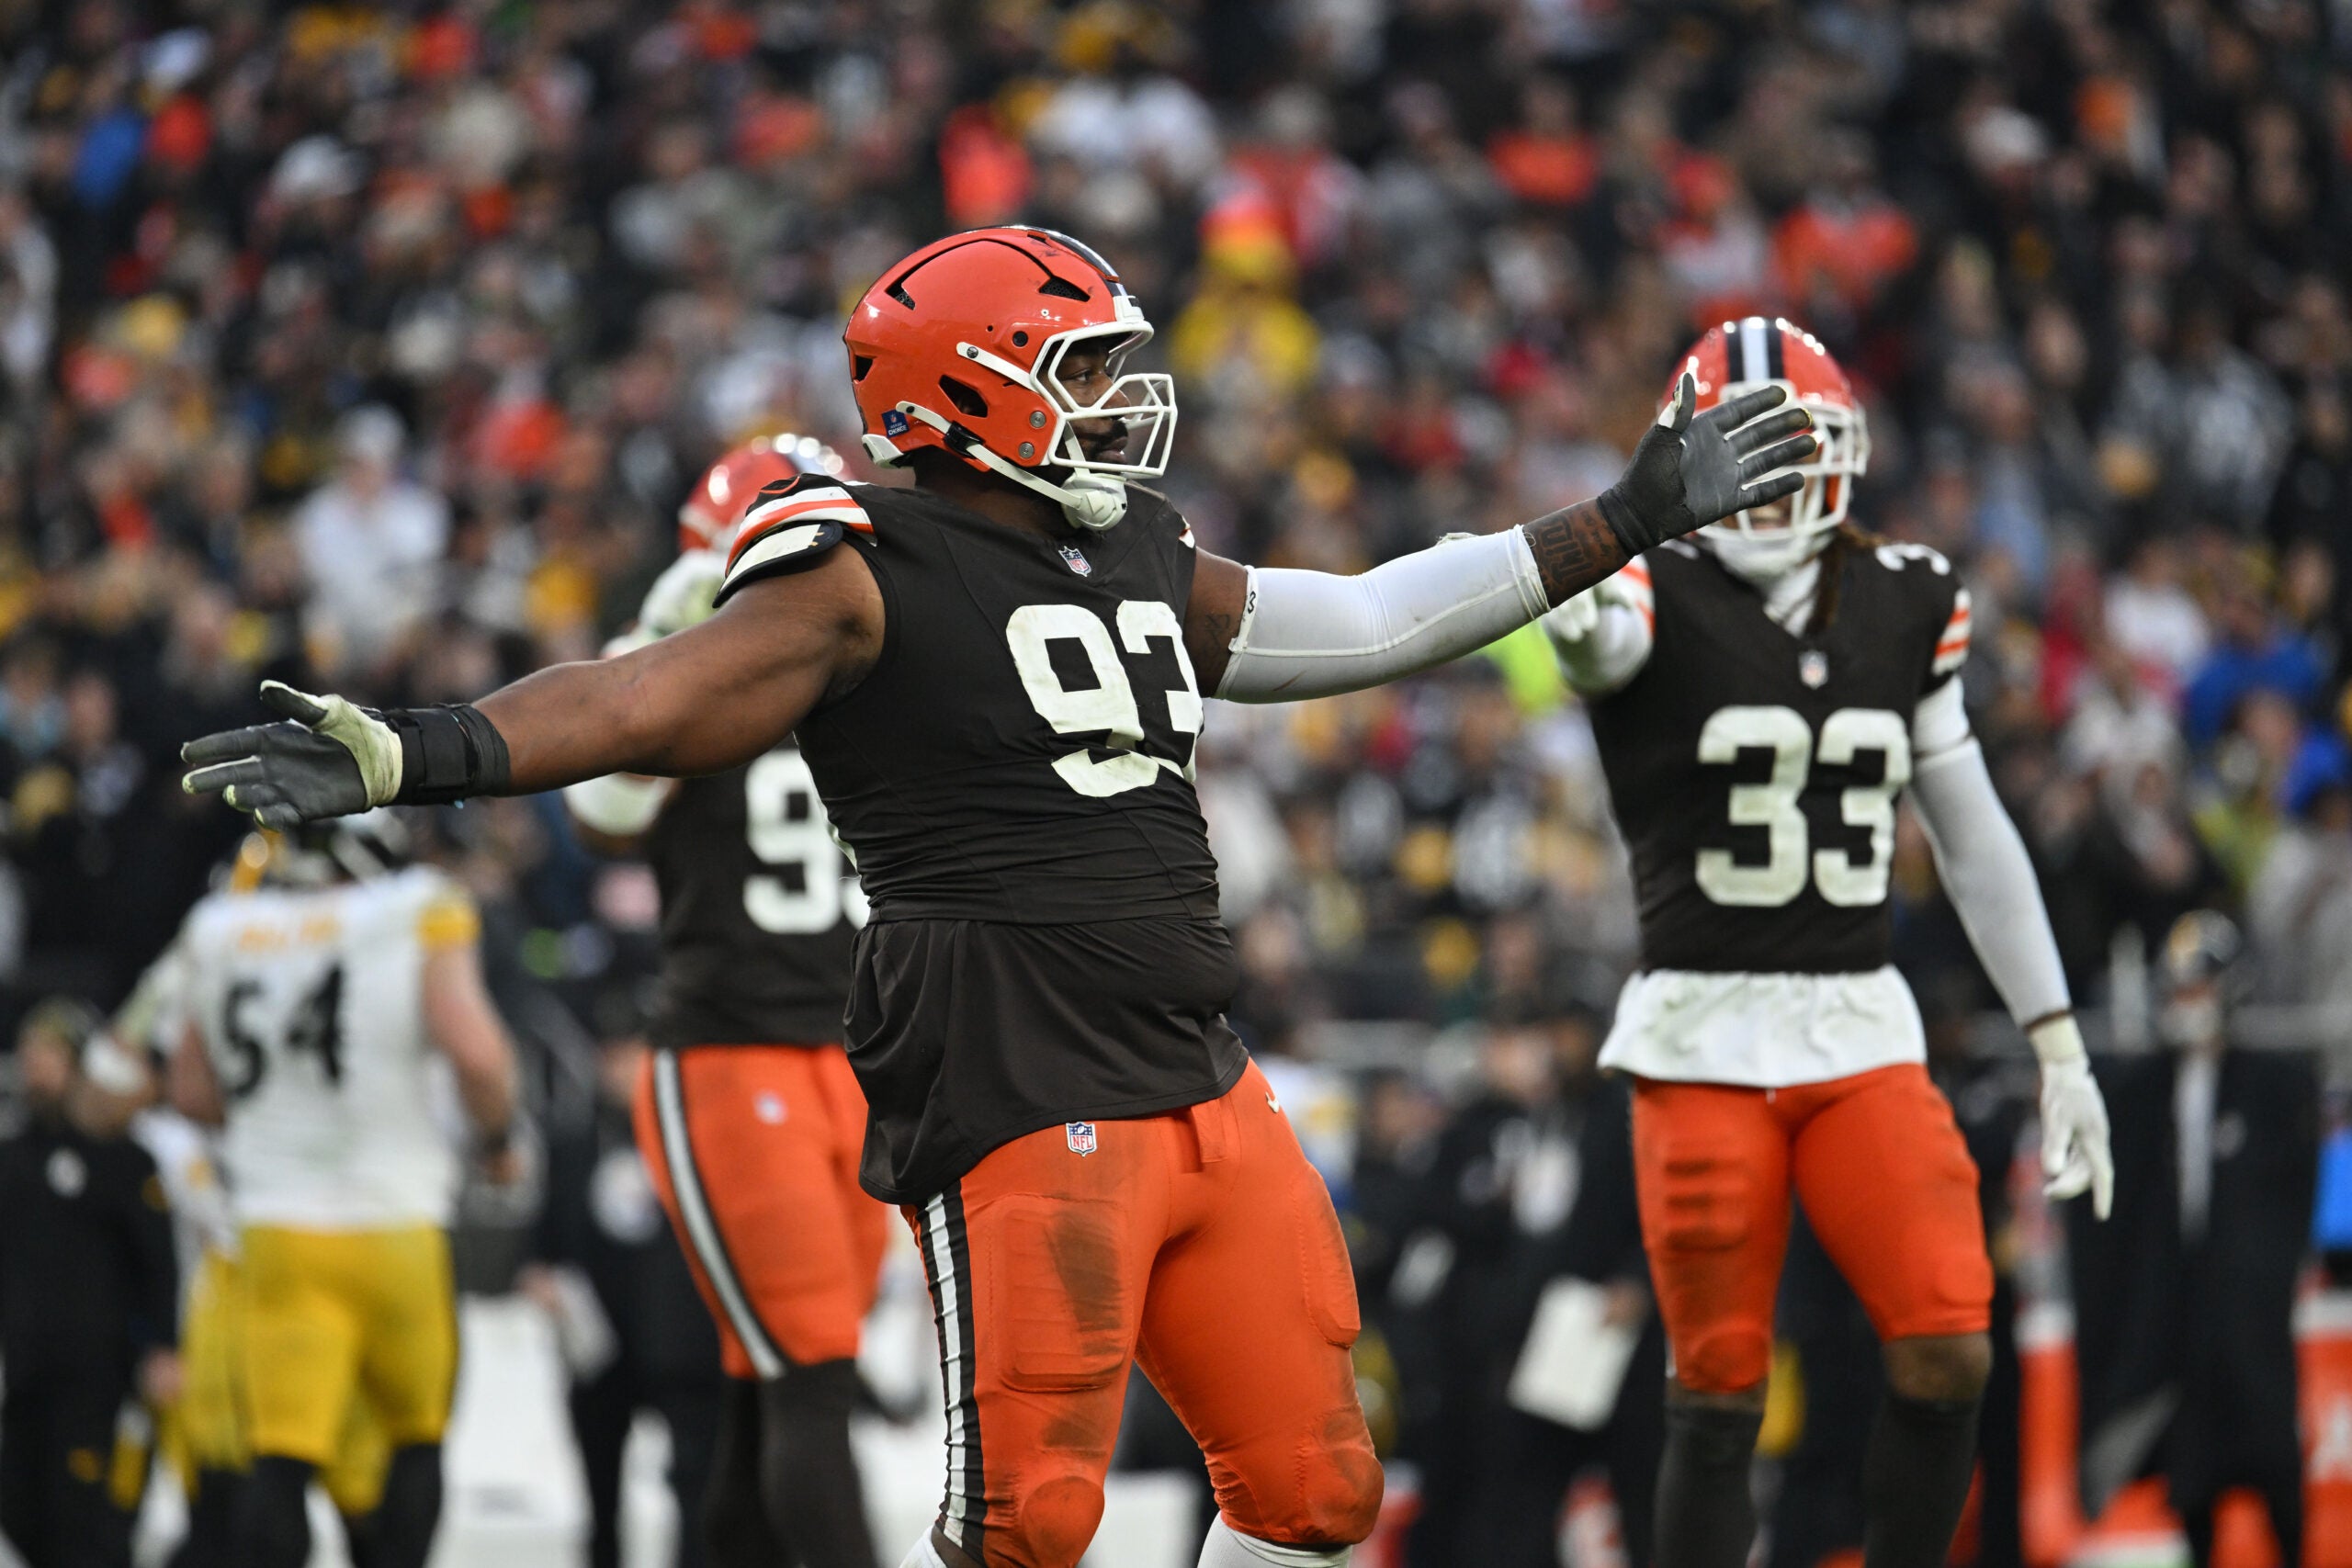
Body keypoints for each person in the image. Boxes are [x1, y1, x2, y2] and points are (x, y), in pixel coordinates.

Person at [177, 225, 1817, 1568]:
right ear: (968, 388)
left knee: (1319, 1495)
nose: (1119, 395)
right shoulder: (852, 562)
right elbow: (647, 700)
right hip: (1018, 1071)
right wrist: (417, 752)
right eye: (1083, 365)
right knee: (1027, 1523)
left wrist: (1620, 517)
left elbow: (1374, 616)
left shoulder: (1135, 549)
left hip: (1199, 1064)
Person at [1539, 317, 2115, 1568]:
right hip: (1699, 1027)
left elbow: (1972, 833)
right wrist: (1591, 559)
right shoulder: (1653, 584)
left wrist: (2057, 1039)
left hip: (1859, 1020)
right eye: (1737, 454)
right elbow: (1595, 636)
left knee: (1951, 1338)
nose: (1770, 484)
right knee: (1719, 1390)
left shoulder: (1909, 595)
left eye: (1790, 450)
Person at [560, 433, 885, 1568]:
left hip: (863, 1059)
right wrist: (668, 641)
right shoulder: (689, 658)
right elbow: (601, 817)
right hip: (733, 1051)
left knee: (771, 1386)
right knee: (809, 1380)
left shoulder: (878, 650)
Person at [165, 812, 522, 1568]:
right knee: (415, 1440)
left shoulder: (221, 925)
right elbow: (477, 1052)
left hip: (277, 1231)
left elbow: (190, 1087)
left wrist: (276, 1123)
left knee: (280, 1458)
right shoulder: (417, 905)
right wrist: (496, 1143)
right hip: (395, 1221)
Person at [2067, 910, 2318, 1568]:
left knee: (2275, 1469)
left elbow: (2294, 1198)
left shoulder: (2277, 1086)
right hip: (2184, 1315)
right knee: (2194, 1477)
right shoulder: (2143, 1095)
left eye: (2199, 989)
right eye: (2180, 991)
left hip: (2252, 1315)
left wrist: (2262, 1276)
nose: (2189, 1005)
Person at [520, 1025, 725, 1568]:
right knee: (600, 1494)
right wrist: (548, 1289)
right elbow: (537, 1248)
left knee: (694, 1487)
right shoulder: (573, 1141)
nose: (622, 1068)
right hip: (598, 1348)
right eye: (612, 1055)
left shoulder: (694, 1139)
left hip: (680, 1345)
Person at [0, 998, 180, 1568]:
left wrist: (164, 1346)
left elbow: (159, 1262)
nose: (34, 1066)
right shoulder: (13, 1156)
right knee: (21, 1509)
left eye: (49, 1053)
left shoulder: (123, 1159)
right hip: (27, 1371)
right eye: (29, 1053)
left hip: (101, 1378)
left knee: (90, 1523)